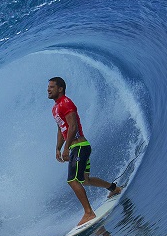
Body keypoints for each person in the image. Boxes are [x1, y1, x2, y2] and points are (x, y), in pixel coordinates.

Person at [48, 76, 123, 227]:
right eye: (48, 87)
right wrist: (57, 147)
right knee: (84, 180)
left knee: (72, 180)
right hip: (78, 147)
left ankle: (89, 212)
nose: (48, 89)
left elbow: (73, 127)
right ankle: (114, 189)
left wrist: (66, 148)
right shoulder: (55, 108)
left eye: (52, 87)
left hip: (79, 146)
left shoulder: (66, 103)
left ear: (60, 88)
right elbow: (61, 129)